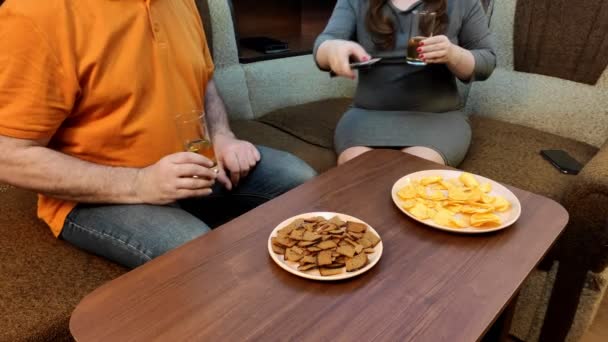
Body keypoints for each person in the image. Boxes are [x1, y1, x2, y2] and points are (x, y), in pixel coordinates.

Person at [0, 0, 316, 268]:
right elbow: (9, 155)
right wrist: (141, 183)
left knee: (303, 180)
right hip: (97, 195)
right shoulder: (35, 13)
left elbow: (202, 80)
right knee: (204, 259)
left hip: (194, 167)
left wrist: (222, 135)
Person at [315, 0, 496, 166]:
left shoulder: (462, 3)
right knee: (354, 171)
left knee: (415, 174)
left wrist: (453, 55)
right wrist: (332, 48)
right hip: (367, 116)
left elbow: (486, 62)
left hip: (437, 118)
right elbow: (325, 43)